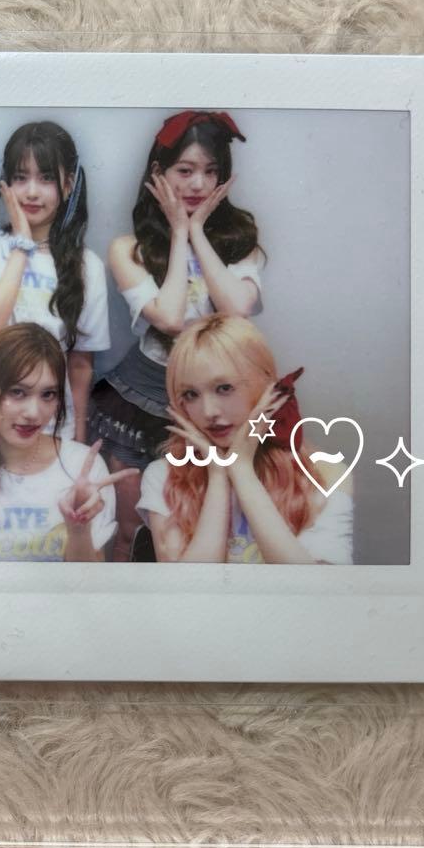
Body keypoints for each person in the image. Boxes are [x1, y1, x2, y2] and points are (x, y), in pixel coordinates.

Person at [90, 109, 264, 559]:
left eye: (210, 172)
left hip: (213, 399)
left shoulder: (240, 242)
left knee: (205, 525)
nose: (198, 184)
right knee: (131, 534)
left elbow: (237, 310)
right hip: (139, 397)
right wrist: (179, 235)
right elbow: (168, 318)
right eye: (184, 171)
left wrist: (198, 231)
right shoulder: (128, 249)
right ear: (158, 173)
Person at [137, 314, 353, 565]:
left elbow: (316, 587)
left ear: (266, 385)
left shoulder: (325, 474)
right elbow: (191, 585)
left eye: (224, 388)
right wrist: (218, 474)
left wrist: (241, 470)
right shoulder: (164, 477)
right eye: (191, 394)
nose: (209, 411)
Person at [0, 121, 109, 441]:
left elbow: (80, 364)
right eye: (20, 177)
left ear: (68, 185)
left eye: (46, 178)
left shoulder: (87, 266)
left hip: (45, 429)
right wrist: (22, 244)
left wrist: (76, 438)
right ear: (6, 184)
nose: (32, 191)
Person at [0, 323, 137, 562]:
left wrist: (78, 529)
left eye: (48, 394)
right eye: (17, 392)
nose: (34, 413)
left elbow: (88, 582)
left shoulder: (82, 469)